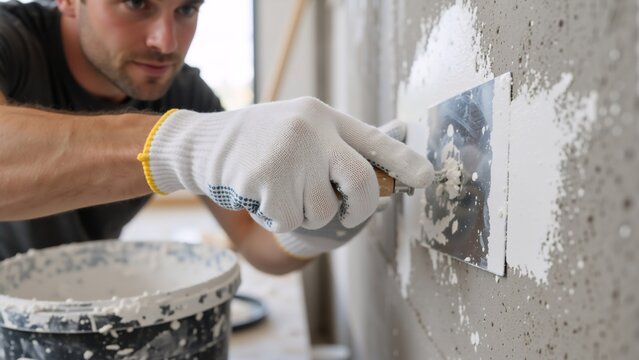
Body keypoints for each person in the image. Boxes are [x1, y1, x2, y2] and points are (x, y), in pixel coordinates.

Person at [0, 0, 433, 274]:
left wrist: (316, 228)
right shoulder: (11, 39)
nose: (165, 42)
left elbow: (251, 237)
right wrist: (181, 145)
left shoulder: (183, 94)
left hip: (63, 304)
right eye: (136, 4)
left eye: (186, 9)